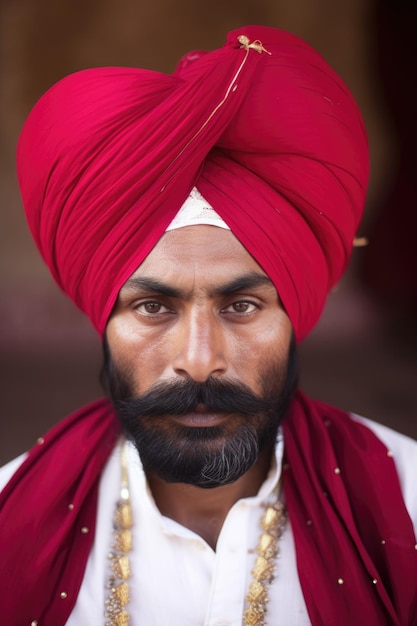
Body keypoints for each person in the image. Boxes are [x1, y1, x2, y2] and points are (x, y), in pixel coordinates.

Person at [0, 24, 416, 626]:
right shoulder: (10, 519)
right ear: (103, 320)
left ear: (293, 314)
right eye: (153, 307)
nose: (199, 360)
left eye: (241, 307)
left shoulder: (406, 507)